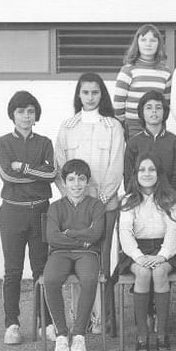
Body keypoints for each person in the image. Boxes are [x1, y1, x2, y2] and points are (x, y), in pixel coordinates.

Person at [55, 73, 124, 333]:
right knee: (78, 256)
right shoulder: (68, 126)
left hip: (105, 205)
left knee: (102, 260)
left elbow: (116, 167)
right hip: (75, 205)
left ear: (102, 94)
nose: (91, 97)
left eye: (95, 92)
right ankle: (80, 319)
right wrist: (75, 199)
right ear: (79, 95)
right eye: (85, 92)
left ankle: (102, 319)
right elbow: (60, 167)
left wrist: (99, 201)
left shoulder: (113, 126)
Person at [0, 91, 56, 345]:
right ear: (13, 114)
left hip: (41, 212)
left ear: (36, 115)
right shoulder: (1, 143)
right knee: (13, 270)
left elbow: (52, 173)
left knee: (42, 268)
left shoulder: (44, 142)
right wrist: (37, 172)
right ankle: (12, 324)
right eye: (21, 111)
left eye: (31, 111)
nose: (26, 116)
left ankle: (46, 323)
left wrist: (22, 167)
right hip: (12, 212)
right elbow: (6, 176)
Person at [117, 153, 176, 351]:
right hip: (136, 250)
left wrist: (162, 256)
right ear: (136, 174)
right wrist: (138, 257)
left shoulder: (169, 199)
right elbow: (125, 232)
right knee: (144, 273)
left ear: (159, 173)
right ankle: (142, 335)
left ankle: (162, 334)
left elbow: (173, 230)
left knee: (160, 272)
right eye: (142, 170)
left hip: (165, 249)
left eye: (152, 169)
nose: (147, 174)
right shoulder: (128, 200)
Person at [44, 159, 105, 351]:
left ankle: (79, 335)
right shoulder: (55, 207)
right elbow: (52, 237)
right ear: (64, 182)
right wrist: (81, 239)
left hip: (87, 254)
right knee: (51, 279)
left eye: (81, 179)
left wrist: (69, 233)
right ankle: (62, 335)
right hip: (60, 253)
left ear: (87, 182)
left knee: (89, 279)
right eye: (71, 179)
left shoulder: (96, 205)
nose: (76, 184)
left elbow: (96, 234)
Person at [124, 91, 176, 202]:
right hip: (139, 200)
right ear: (142, 112)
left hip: (167, 199)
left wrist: (170, 199)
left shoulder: (174, 141)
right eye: (149, 108)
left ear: (164, 112)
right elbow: (128, 176)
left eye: (158, 108)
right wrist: (135, 199)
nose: (154, 111)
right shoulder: (133, 142)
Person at [113, 24, 173, 138]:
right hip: (133, 126)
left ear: (159, 44)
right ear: (137, 43)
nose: (148, 44)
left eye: (153, 40)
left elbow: (166, 104)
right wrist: (123, 125)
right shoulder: (128, 70)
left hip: (157, 125)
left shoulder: (166, 73)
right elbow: (118, 103)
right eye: (143, 40)